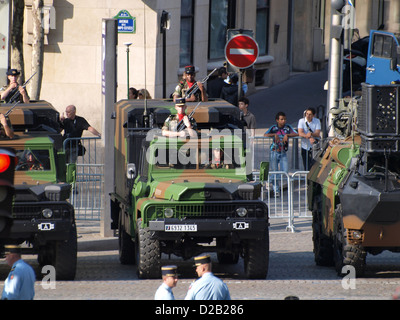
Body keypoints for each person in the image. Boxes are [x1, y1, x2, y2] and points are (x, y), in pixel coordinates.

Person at [264, 112, 297, 197]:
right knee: (275, 170)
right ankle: (276, 191)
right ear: (277, 120)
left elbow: (297, 133)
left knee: (285, 171)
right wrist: (274, 135)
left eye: (285, 119)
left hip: (283, 153)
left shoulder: (288, 127)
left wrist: (287, 135)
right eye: (281, 119)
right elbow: (265, 134)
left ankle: (269, 179)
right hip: (274, 152)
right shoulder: (274, 127)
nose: (283, 121)